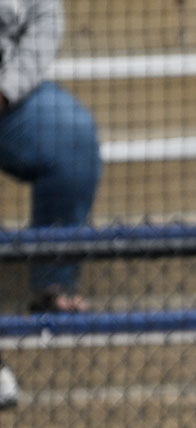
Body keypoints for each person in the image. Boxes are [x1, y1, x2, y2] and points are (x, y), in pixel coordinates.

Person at [0, 0, 101, 315]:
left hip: (7, 97)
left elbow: (46, 19)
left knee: (70, 136)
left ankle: (53, 287)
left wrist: (5, 91)